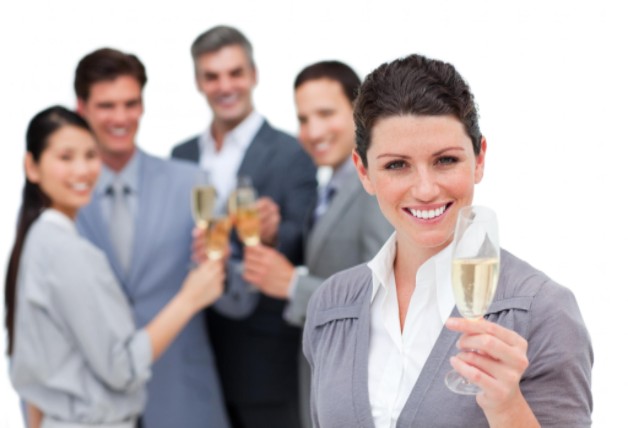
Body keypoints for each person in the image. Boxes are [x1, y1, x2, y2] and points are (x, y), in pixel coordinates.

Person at [302, 54, 593, 427]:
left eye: (445, 160)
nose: (425, 189)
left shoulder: (542, 311)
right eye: (396, 165)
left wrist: (506, 407)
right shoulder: (330, 306)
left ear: (479, 158)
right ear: (364, 172)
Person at [5, 106, 226, 428]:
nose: (82, 170)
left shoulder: (38, 240)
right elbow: (123, 369)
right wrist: (189, 299)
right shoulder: (68, 250)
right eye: (65, 157)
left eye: (90, 155)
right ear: (32, 166)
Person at [72, 48, 230, 428]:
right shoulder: (64, 198)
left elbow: (235, 298)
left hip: (183, 401)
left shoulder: (191, 182)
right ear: (82, 109)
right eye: (106, 105)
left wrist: (224, 265)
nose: (121, 118)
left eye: (131, 103)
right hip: (92, 403)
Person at [171, 26, 317, 428]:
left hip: (265, 361)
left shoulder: (292, 153)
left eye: (235, 73)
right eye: (212, 76)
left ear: (253, 74)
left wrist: (272, 235)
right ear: (198, 81)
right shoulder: (181, 156)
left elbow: (309, 241)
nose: (225, 86)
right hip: (196, 352)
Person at [241, 60, 392, 427]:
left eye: (326, 114)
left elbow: (385, 297)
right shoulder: (330, 185)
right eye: (303, 119)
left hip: (362, 391)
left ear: (360, 112)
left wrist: (292, 285)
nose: (313, 130)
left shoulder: (374, 189)